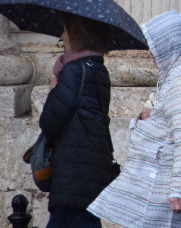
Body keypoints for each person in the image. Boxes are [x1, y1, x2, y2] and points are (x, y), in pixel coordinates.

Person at [88, 11, 181, 228]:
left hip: (169, 191)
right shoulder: (176, 77)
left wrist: (178, 189)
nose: (151, 57)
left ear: (168, 47)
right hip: (167, 187)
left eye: (155, 49)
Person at [40, 12, 114, 228]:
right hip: (90, 168)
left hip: (73, 172)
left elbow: (50, 122)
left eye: (65, 30)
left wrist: (55, 89)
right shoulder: (98, 69)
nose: (62, 36)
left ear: (76, 34)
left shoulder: (73, 70)